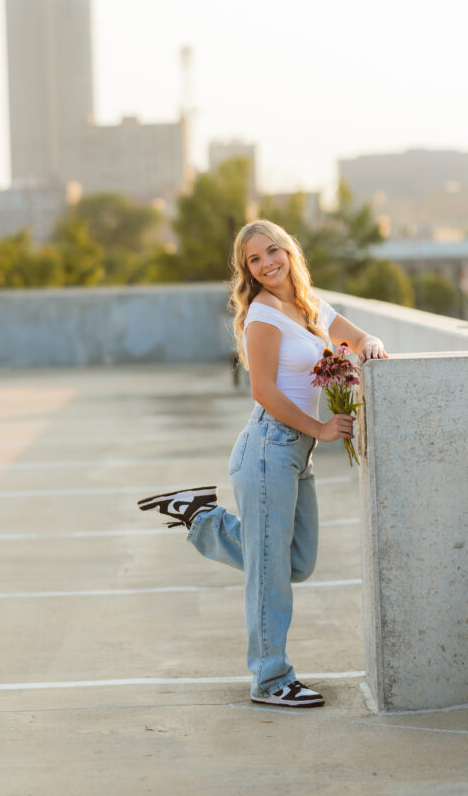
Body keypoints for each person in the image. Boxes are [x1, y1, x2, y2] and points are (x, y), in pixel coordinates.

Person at [137, 219, 388, 708]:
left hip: (294, 455)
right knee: (270, 572)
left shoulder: (310, 307)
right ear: (247, 271)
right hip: (270, 446)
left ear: (290, 251)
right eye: (254, 259)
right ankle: (271, 679)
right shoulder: (263, 314)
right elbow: (264, 390)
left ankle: (202, 519)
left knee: (297, 561)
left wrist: (371, 347)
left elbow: (357, 338)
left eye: (273, 251)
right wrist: (318, 428)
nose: (267, 263)